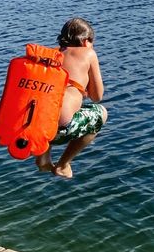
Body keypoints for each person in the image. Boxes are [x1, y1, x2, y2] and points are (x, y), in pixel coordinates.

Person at [35, 18, 107, 178]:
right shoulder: (88, 53)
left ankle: (43, 157)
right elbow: (97, 97)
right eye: (92, 42)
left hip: (34, 131)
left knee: (49, 103)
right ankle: (63, 164)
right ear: (85, 41)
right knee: (101, 113)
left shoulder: (48, 56)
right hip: (59, 132)